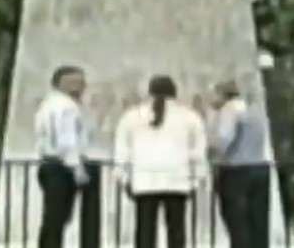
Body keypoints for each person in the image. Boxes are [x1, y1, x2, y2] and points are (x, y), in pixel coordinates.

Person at [115, 75, 208, 248]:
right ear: (175, 93)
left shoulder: (132, 116)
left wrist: (123, 177)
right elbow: (198, 152)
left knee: (144, 229)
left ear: (149, 92)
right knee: (177, 229)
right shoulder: (190, 117)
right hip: (178, 179)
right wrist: (196, 180)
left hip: (144, 179)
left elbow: (122, 150)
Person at [207, 79, 272, 248]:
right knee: (257, 221)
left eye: (213, 94)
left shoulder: (229, 110)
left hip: (236, 170)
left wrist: (211, 151)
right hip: (260, 167)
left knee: (237, 220)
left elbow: (224, 139)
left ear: (222, 95)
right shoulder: (252, 110)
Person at [35, 64, 90, 248]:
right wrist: (77, 169)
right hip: (61, 166)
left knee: (52, 217)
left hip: (48, 164)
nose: (81, 86)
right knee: (58, 217)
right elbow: (67, 140)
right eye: (74, 82)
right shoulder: (67, 107)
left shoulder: (48, 104)